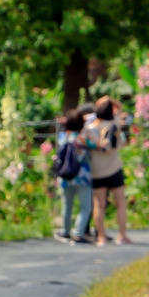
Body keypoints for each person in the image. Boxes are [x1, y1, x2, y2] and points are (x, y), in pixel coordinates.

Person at [87, 96, 130, 245]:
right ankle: (121, 236)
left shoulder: (89, 127)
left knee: (99, 205)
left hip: (96, 171)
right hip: (114, 169)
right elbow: (121, 108)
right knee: (120, 203)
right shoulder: (114, 123)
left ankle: (101, 237)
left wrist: (100, 103)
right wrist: (110, 99)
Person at [52, 111, 92, 243]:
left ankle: (66, 231)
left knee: (66, 205)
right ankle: (79, 233)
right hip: (82, 177)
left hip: (65, 176)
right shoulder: (83, 139)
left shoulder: (62, 137)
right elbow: (95, 146)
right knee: (85, 207)